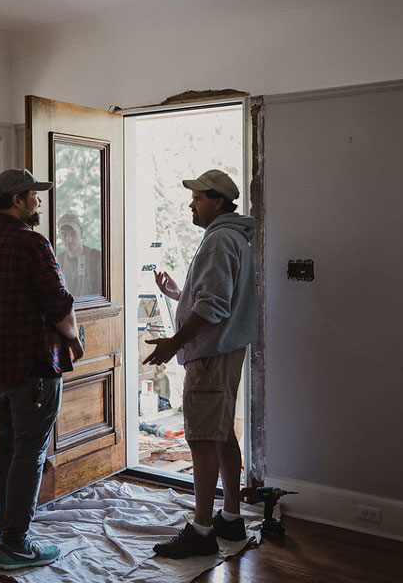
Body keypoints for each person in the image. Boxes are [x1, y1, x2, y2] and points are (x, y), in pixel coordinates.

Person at [0, 168, 84, 571]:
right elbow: (59, 304)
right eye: (34, 195)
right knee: (28, 450)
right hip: (31, 369)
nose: (39, 202)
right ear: (17, 200)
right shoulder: (33, 245)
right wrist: (75, 338)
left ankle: (5, 530)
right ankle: (15, 543)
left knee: (6, 443)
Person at [143, 168, 258, 558]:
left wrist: (173, 343)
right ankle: (230, 517)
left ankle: (202, 532)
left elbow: (213, 307)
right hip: (224, 352)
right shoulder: (233, 239)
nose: (191, 204)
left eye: (197, 198)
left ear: (218, 201)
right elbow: (214, 301)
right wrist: (180, 294)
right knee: (223, 432)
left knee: (202, 440)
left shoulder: (220, 240)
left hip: (211, 358)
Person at [55, 213, 103, 298]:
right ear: (59, 236)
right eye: (64, 235)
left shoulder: (96, 258)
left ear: (81, 232)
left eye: (73, 234)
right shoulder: (58, 261)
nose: (69, 239)